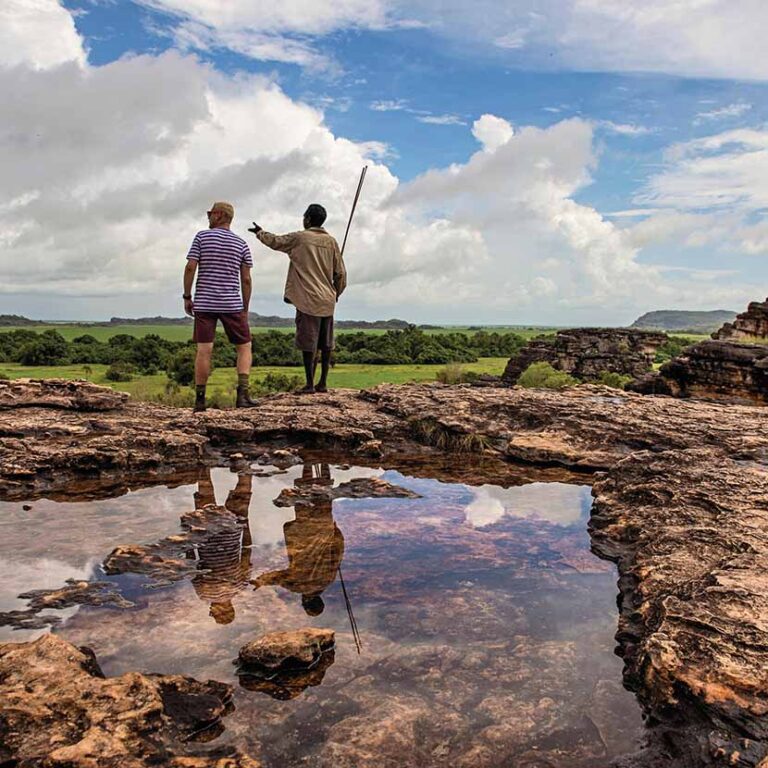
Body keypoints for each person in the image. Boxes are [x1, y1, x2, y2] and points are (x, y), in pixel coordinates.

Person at [249, 204, 346, 393]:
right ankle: (323, 383)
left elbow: (276, 241)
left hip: (308, 300)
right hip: (327, 300)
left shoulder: (300, 238)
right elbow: (340, 274)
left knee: (308, 343)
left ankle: (310, 384)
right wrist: (335, 294)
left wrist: (260, 232)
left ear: (308, 219)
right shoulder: (332, 242)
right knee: (326, 344)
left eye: (304, 217)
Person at [183, 201, 257, 412]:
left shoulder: (201, 238)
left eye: (210, 213)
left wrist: (187, 296)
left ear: (219, 215)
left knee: (204, 350)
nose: (208, 217)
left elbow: (190, 267)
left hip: (205, 302)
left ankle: (199, 402)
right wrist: (245, 307)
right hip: (232, 304)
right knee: (244, 347)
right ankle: (242, 396)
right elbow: (247, 280)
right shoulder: (241, 244)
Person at [250, 463, 344, 616]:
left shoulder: (328, 580)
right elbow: (279, 578)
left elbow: (338, 553)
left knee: (324, 493)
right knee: (304, 494)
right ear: (305, 602)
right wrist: (261, 581)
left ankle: (324, 460)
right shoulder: (299, 586)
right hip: (304, 529)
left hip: (324, 527)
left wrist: (336, 532)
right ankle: (307, 461)